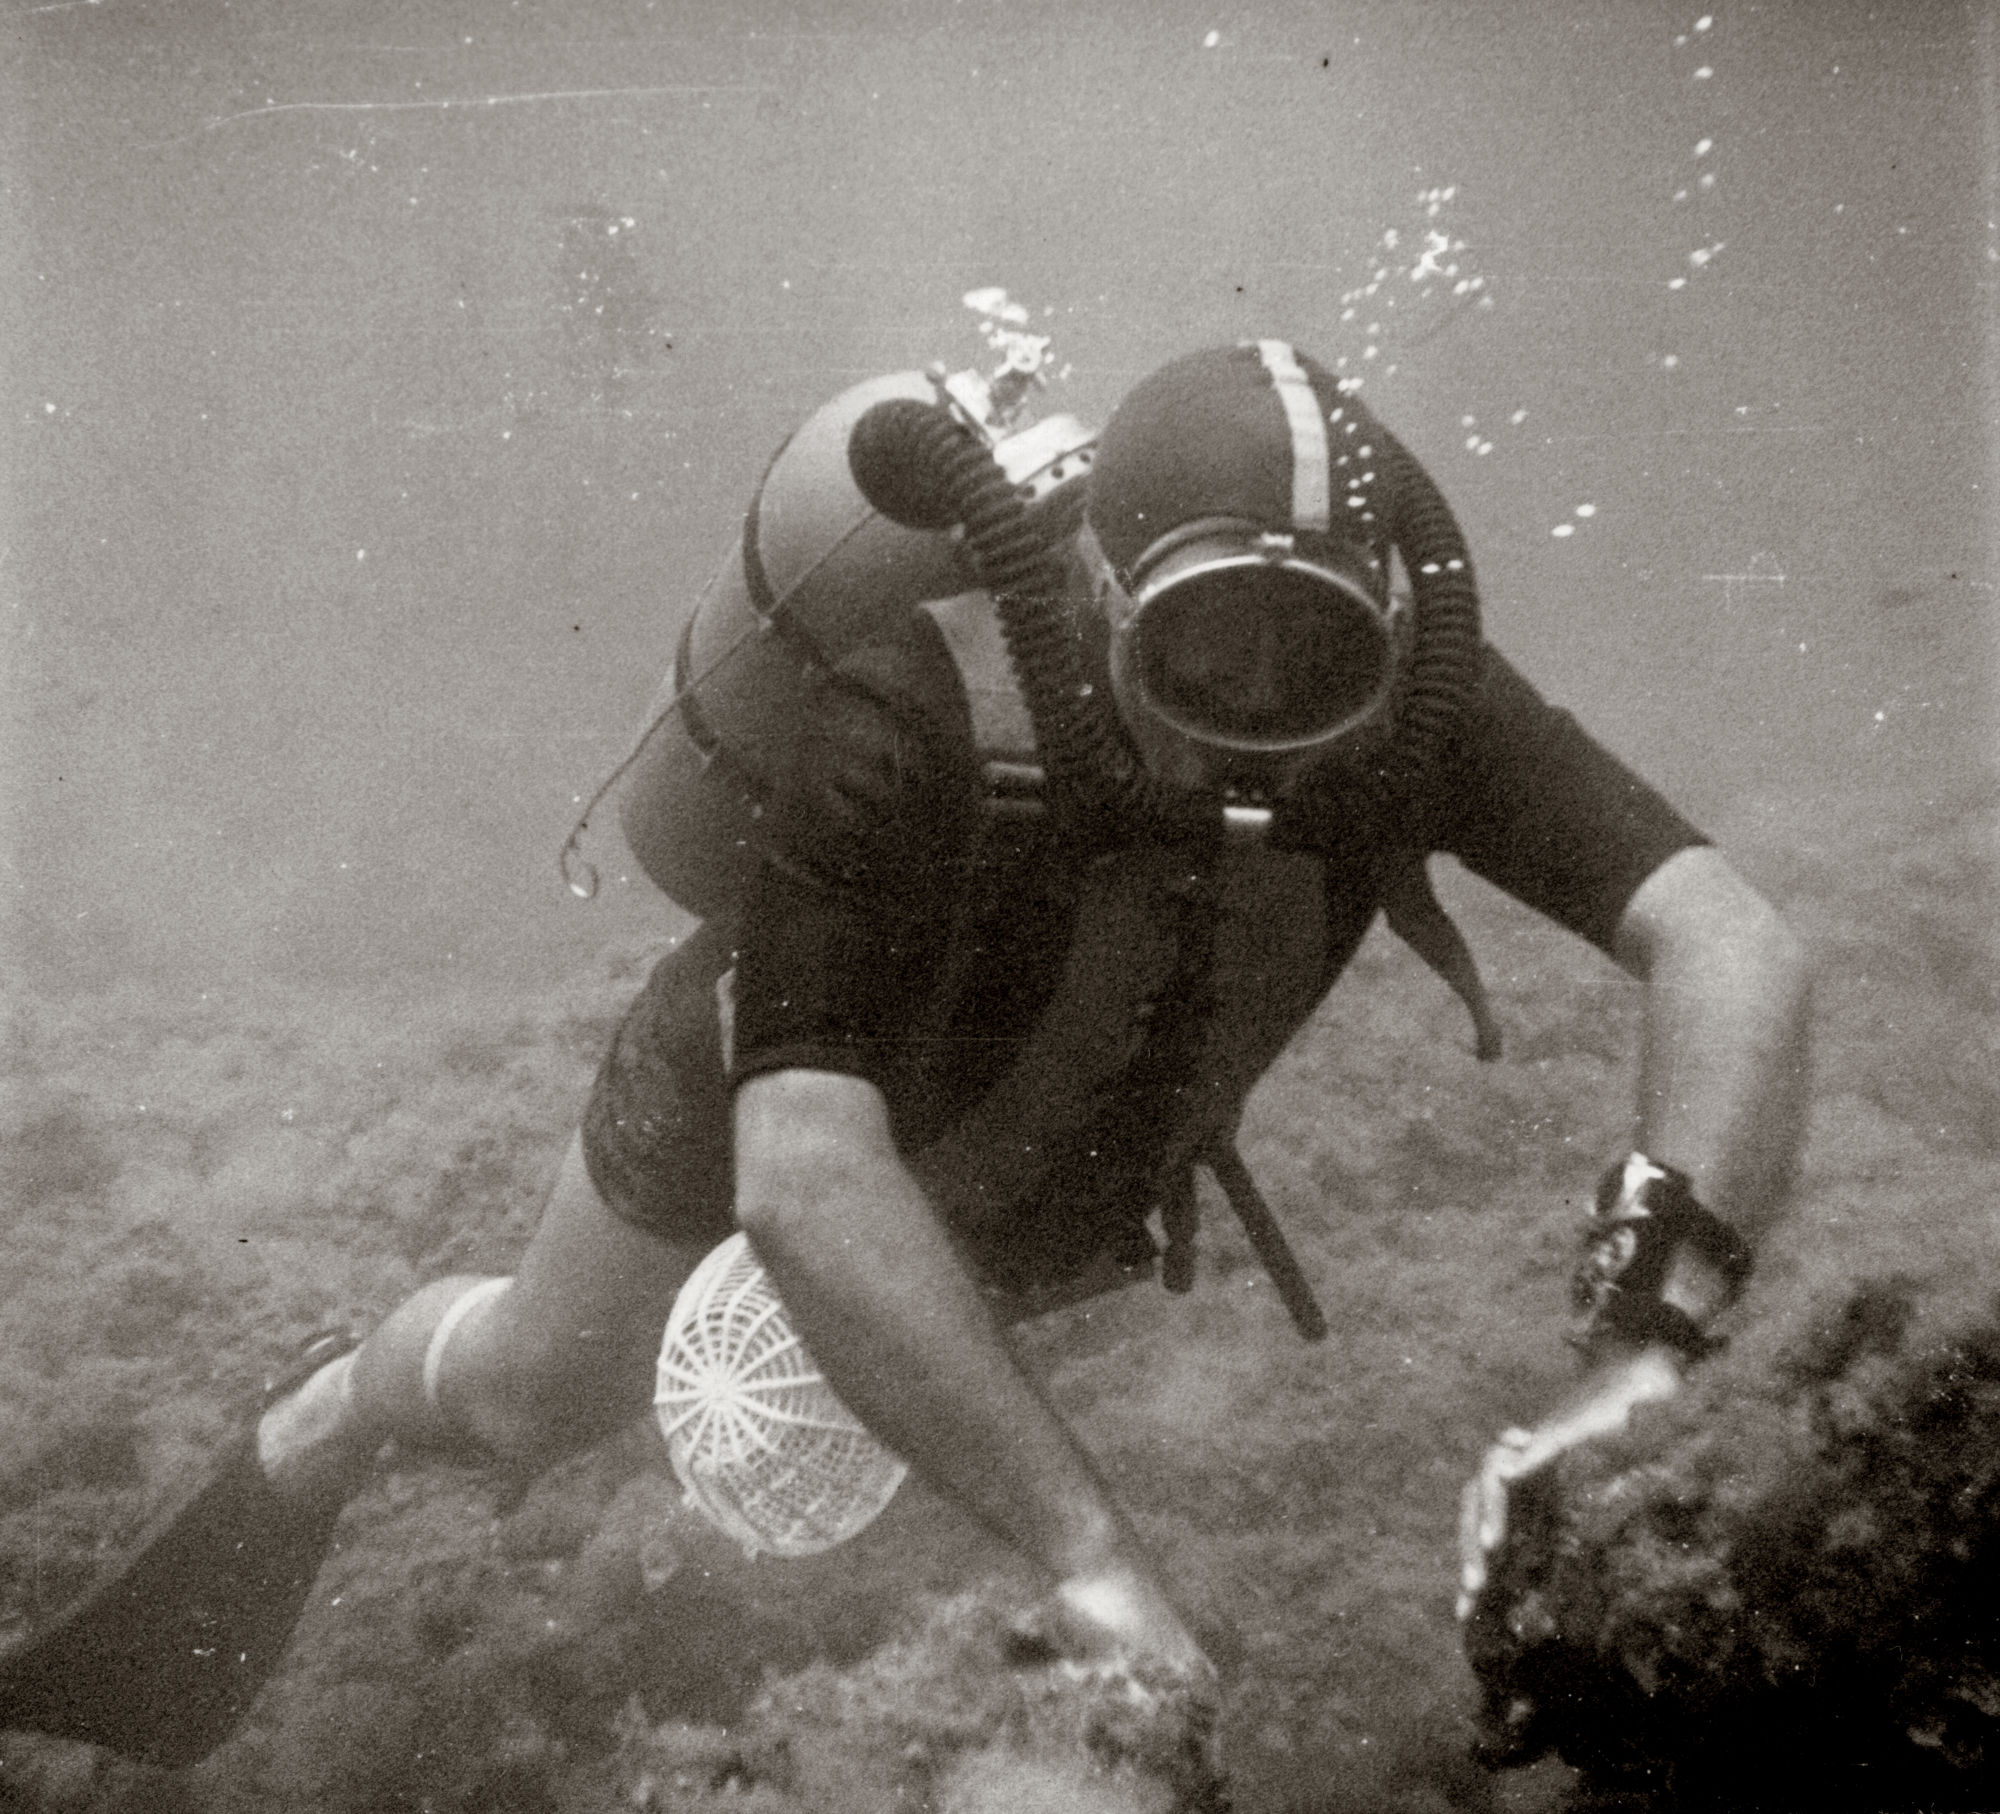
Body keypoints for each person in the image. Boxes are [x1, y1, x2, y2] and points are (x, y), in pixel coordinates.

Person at [0, 339, 1811, 1769]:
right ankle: (333, 1403)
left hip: (1035, 1175)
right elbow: (797, 1171)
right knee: (528, 1401)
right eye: (1205, 654)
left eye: (1309, 661)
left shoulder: (1419, 717)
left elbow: (1725, 939)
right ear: (1099, 598)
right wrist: (1092, 1553)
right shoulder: (913, 709)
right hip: (756, 1113)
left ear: (1389, 639)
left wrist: (1647, 1350)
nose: (1259, 734)